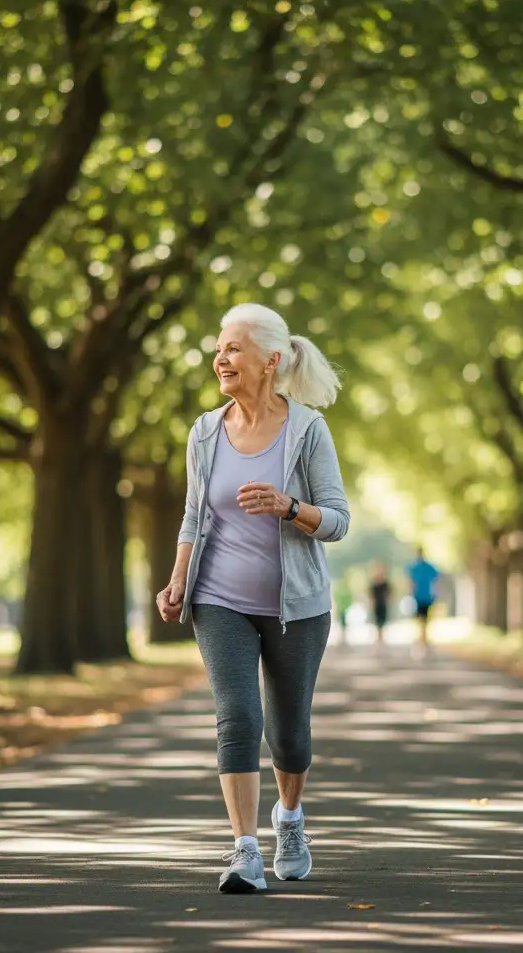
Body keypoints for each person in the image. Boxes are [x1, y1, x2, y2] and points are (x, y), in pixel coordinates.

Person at [156, 302, 350, 894]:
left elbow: (338, 520)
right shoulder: (204, 431)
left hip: (297, 607)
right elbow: (194, 516)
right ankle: (244, 850)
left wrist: (289, 507)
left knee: (289, 734)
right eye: (218, 348)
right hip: (219, 600)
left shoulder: (308, 430)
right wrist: (178, 580)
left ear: (270, 361)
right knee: (238, 717)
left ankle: (289, 820)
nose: (221, 358)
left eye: (233, 348)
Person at [406, 546, 441, 652]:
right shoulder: (428, 567)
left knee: (421, 620)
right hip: (426, 596)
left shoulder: (414, 567)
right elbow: (436, 579)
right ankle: (423, 639)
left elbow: (410, 582)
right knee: (423, 620)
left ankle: (422, 640)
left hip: (419, 596)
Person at [368, 562, 391, 646]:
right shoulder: (374, 583)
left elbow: (389, 593)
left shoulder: (385, 583)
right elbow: (371, 594)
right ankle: (379, 637)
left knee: (383, 620)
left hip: (383, 604)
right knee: (378, 621)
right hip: (377, 604)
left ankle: (381, 637)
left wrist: (388, 599)